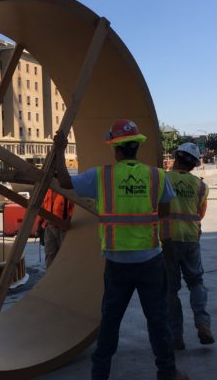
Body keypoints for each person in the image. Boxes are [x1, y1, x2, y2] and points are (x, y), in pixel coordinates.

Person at [54, 119, 188, 380]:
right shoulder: (155, 175)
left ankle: (100, 374)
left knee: (110, 321)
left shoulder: (101, 176)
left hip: (117, 263)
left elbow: (65, 182)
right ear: (136, 147)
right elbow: (166, 209)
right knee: (158, 319)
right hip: (150, 260)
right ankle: (168, 372)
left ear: (115, 150)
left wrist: (60, 149)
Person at [161, 143, 213, 350]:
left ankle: (176, 337)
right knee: (196, 282)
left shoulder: (163, 179)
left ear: (175, 158)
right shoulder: (201, 186)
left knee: (170, 290)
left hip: (166, 238)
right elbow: (200, 214)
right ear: (194, 165)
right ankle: (202, 323)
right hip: (190, 238)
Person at [39, 188, 74, 268]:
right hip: (49, 228)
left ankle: (64, 276)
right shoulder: (47, 191)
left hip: (63, 230)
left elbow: (74, 209)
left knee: (64, 255)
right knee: (50, 255)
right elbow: (43, 208)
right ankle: (50, 277)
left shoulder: (66, 191)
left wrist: (67, 222)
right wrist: (40, 225)